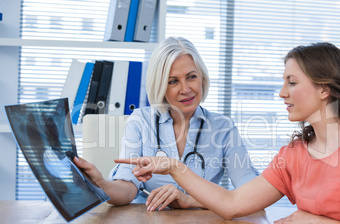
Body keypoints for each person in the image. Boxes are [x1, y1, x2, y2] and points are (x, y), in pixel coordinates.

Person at [107, 42, 340, 224]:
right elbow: (234, 203)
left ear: (324, 89)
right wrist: (173, 167)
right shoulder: (295, 154)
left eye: (292, 82)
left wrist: (317, 222)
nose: (281, 93)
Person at [75, 36, 259, 211]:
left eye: (191, 77)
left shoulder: (223, 128)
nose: (185, 89)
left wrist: (189, 200)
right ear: (160, 87)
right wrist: (100, 183)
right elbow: (127, 188)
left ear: (202, 78)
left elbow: (250, 193)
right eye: (173, 81)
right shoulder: (140, 122)